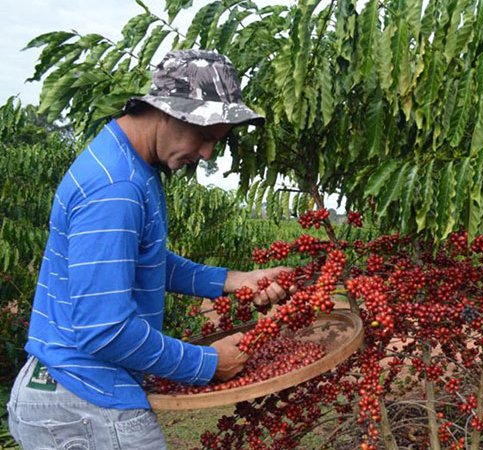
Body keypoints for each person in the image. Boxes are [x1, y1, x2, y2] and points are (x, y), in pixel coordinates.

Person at [6, 50, 290, 449]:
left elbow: (140, 259)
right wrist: (206, 363)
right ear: (170, 111)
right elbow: (106, 331)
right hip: (85, 403)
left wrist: (234, 280)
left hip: (66, 386)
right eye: (205, 137)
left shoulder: (127, 162)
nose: (207, 154)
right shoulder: (117, 188)